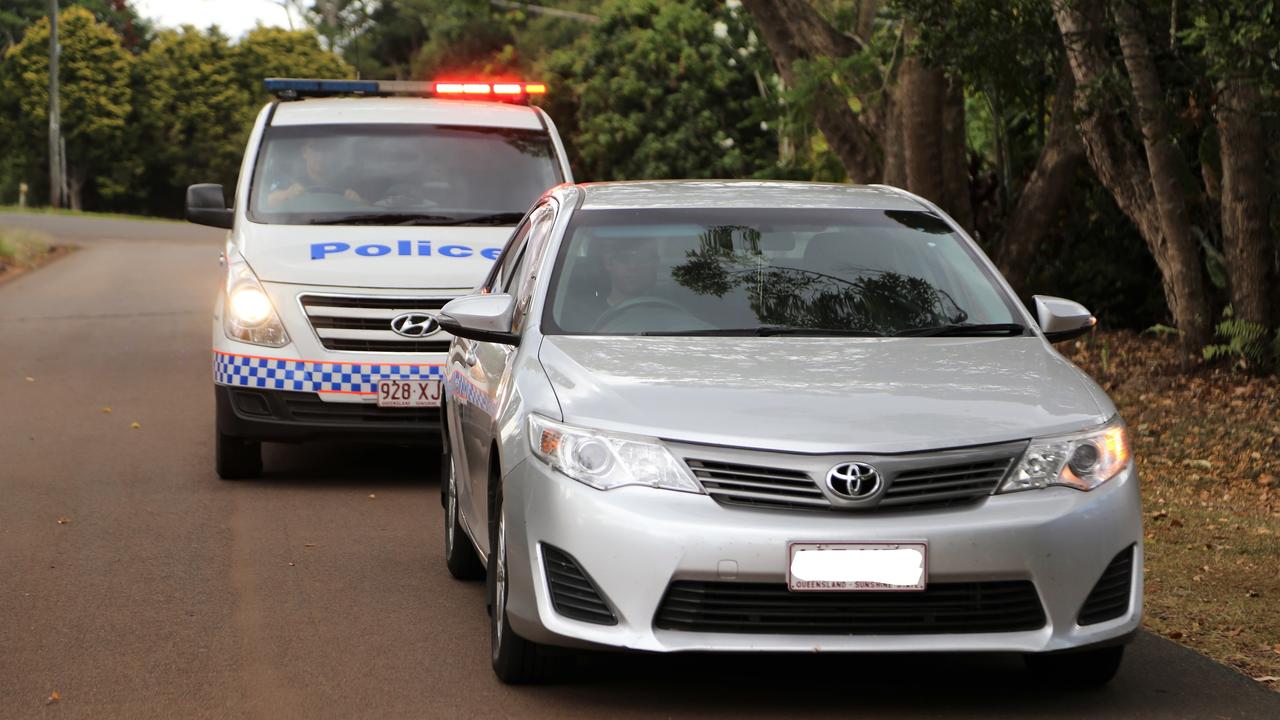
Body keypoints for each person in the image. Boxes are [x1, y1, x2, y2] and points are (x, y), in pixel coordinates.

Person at [266, 138, 365, 208]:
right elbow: (267, 203)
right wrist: (287, 194)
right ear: (304, 152)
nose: (321, 155)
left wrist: (359, 202)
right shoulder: (289, 179)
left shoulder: (349, 180)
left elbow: (374, 206)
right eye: (315, 148)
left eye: (325, 149)